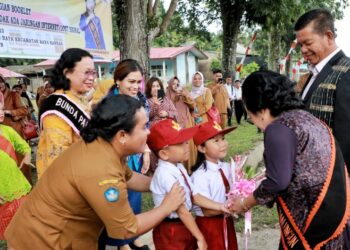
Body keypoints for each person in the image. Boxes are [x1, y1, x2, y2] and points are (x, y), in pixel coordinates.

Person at [5, 95, 185, 249]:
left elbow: (128, 177)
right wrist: (166, 206)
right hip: (41, 242)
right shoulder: (101, 169)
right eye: (144, 127)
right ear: (122, 136)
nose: (148, 132)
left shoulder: (104, 145)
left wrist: (160, 183)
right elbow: (125, 229)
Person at [230, 70, 350, 249]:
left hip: (310, 219)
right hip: (333, 213)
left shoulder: (278, 128)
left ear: (260, 109)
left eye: (250, 115)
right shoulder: (307, 119)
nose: (253, 121)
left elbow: (278, 182)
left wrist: (245, 203)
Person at [148, 119, 230, 250]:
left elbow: (195, 196)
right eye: (181, 143)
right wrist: (200, 237)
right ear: (164, 154)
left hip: (184, 224)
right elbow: (182, 211)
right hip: (170, 229)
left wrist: (221, 206)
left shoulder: (178, 166)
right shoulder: (164, 174)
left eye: (186, 141)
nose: (187, 145)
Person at [98, 59, 151, 250]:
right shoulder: (107, 104)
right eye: (131, 81)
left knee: (134, 196)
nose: (136, 86)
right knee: (117, 198)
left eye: (138, 82)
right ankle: (122, 243)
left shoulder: (141, 100)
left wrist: (145, 151)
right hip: (113, 159)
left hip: (135, 156)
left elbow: (145, 127)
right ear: (118, 80)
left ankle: (132, 237)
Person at [295, 9, 350, 173]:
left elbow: (346, 138)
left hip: (331, 181)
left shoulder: (346, 72)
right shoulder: (314, 73)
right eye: (300, 45)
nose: (303, 50)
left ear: (329, 36)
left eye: (308, 43)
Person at [36, 48, 95, 178]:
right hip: (68, 185)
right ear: (67, 73)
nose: (91, 78)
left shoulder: (79, 99)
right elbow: (58, 159)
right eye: (86, 72)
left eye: (93, 73)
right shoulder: (56, 107)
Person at [191, 121, 238, 250]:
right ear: (202, 148)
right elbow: (207, 211)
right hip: (210, 226)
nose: (223, 144)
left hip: (226, 221)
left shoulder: (228, 167)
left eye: (223, 139)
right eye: (216, 141)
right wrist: (234, 208)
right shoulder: (200, 175)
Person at [0, 92, 31, 249]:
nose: (0, 113)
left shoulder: (8, 130)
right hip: (2, 193)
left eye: (1, 108)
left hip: (17, 187)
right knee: (8, 233)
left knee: (21, 230)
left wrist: (27, 156)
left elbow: (23, 146)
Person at [166, 76, 197, 171]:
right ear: (170, 85)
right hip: (174, 125)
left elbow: (193, 106)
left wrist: (185, 96)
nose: (175, 86)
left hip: (187, 122)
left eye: (177, 84)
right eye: (173, 84)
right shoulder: (167, 94)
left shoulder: (184, 92)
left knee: (189, 146)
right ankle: (180, 170)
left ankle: (191, 168)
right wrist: (174, 99)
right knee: (179, 147)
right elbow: (167, 108)